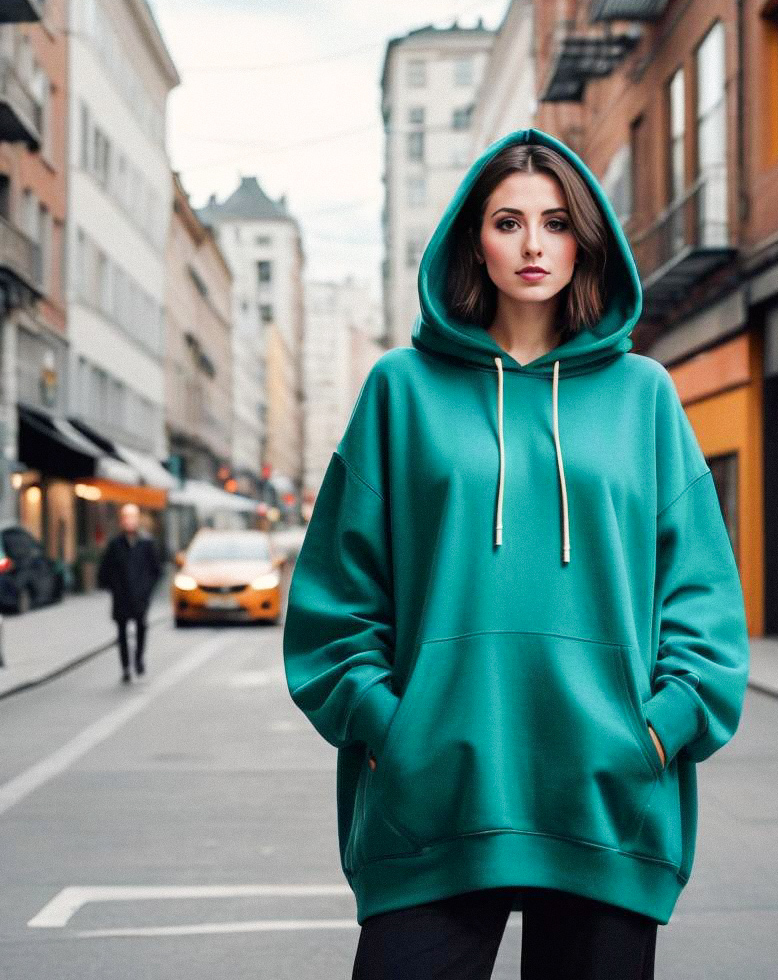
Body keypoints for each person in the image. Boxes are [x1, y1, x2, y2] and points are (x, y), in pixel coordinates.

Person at [282, 127, 750, 979]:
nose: (534, 244)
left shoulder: (643, 395)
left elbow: (702, 595)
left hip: (607, 795)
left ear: (585, 241)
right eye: (508, 221)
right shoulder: (400, 390)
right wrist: (393, 727)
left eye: (556, 221)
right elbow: (335, 597)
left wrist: (659, 731)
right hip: (437, 796)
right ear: (474, 240)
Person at [97, 503, 162, 685]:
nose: (129, 522)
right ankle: (125, 666)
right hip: (121, 597)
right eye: (126, 518)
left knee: (141, 627)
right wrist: (114, 588)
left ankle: (139, 658)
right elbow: (105, 572)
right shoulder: (115, 545)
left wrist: (147, 590)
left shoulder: (146, 543)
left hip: (140, 596)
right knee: (122, 633)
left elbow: (156, 570)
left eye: (133, 518)